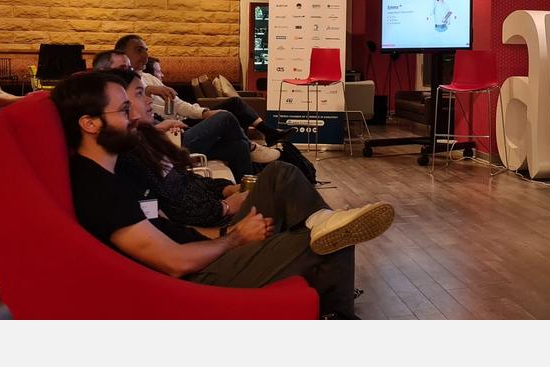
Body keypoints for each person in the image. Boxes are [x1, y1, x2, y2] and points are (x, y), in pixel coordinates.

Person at [52, 71, 392, 318]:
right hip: (198, 275)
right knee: (328, 238)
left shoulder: (109, 170)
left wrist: (223, 226)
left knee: (284, 177)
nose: (135, 117)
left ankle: (322, 232)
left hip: (204, 247)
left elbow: (168, 218)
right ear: (90, 124)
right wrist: (234, 237)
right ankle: (338, 315)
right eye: (124, 110)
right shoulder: (100, 187)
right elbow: (174, 263)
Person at [114, 35, 293, 146]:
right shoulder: (118, 84)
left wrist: (204, 112)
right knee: (226, 116)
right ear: (121, 54)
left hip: (180, 122)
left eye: (146, 50)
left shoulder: (149, 77)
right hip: (169, 131)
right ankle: (255, 144)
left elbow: (179, 104)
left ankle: (255, 153)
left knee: (234, 120)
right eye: (139, 50)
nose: (145, 55)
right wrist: (148, 91)